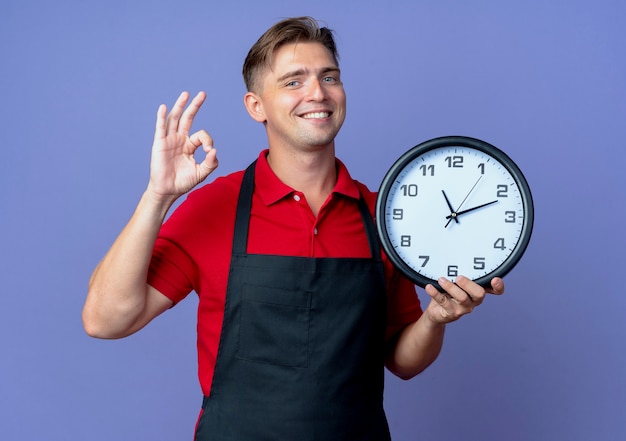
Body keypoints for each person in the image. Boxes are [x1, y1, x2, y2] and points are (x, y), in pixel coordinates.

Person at [83, 16, 504, 440]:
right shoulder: (214, 207)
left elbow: (403, 362)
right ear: (256, 106)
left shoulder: (383, 216)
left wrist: (436, 319)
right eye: (293, 81)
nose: (317, 93)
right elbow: (105, 320)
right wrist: (158, 196)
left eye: (329, 77)